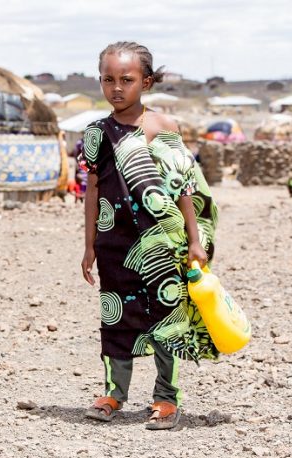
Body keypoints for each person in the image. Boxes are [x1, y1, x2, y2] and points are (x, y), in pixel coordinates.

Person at [79, 41, 219, 429]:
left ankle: (166, 399)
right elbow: (92, 189)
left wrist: (194, 240)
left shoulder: (163, 127)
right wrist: (89, 244)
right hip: (113, 244)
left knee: (166, 319)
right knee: (116, 319)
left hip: (162, 242)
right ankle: (113, 394)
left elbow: (184, 187)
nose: (116, 88)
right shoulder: (96, 133)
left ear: (147, 82)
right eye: (108, 79)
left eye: (127, 79)